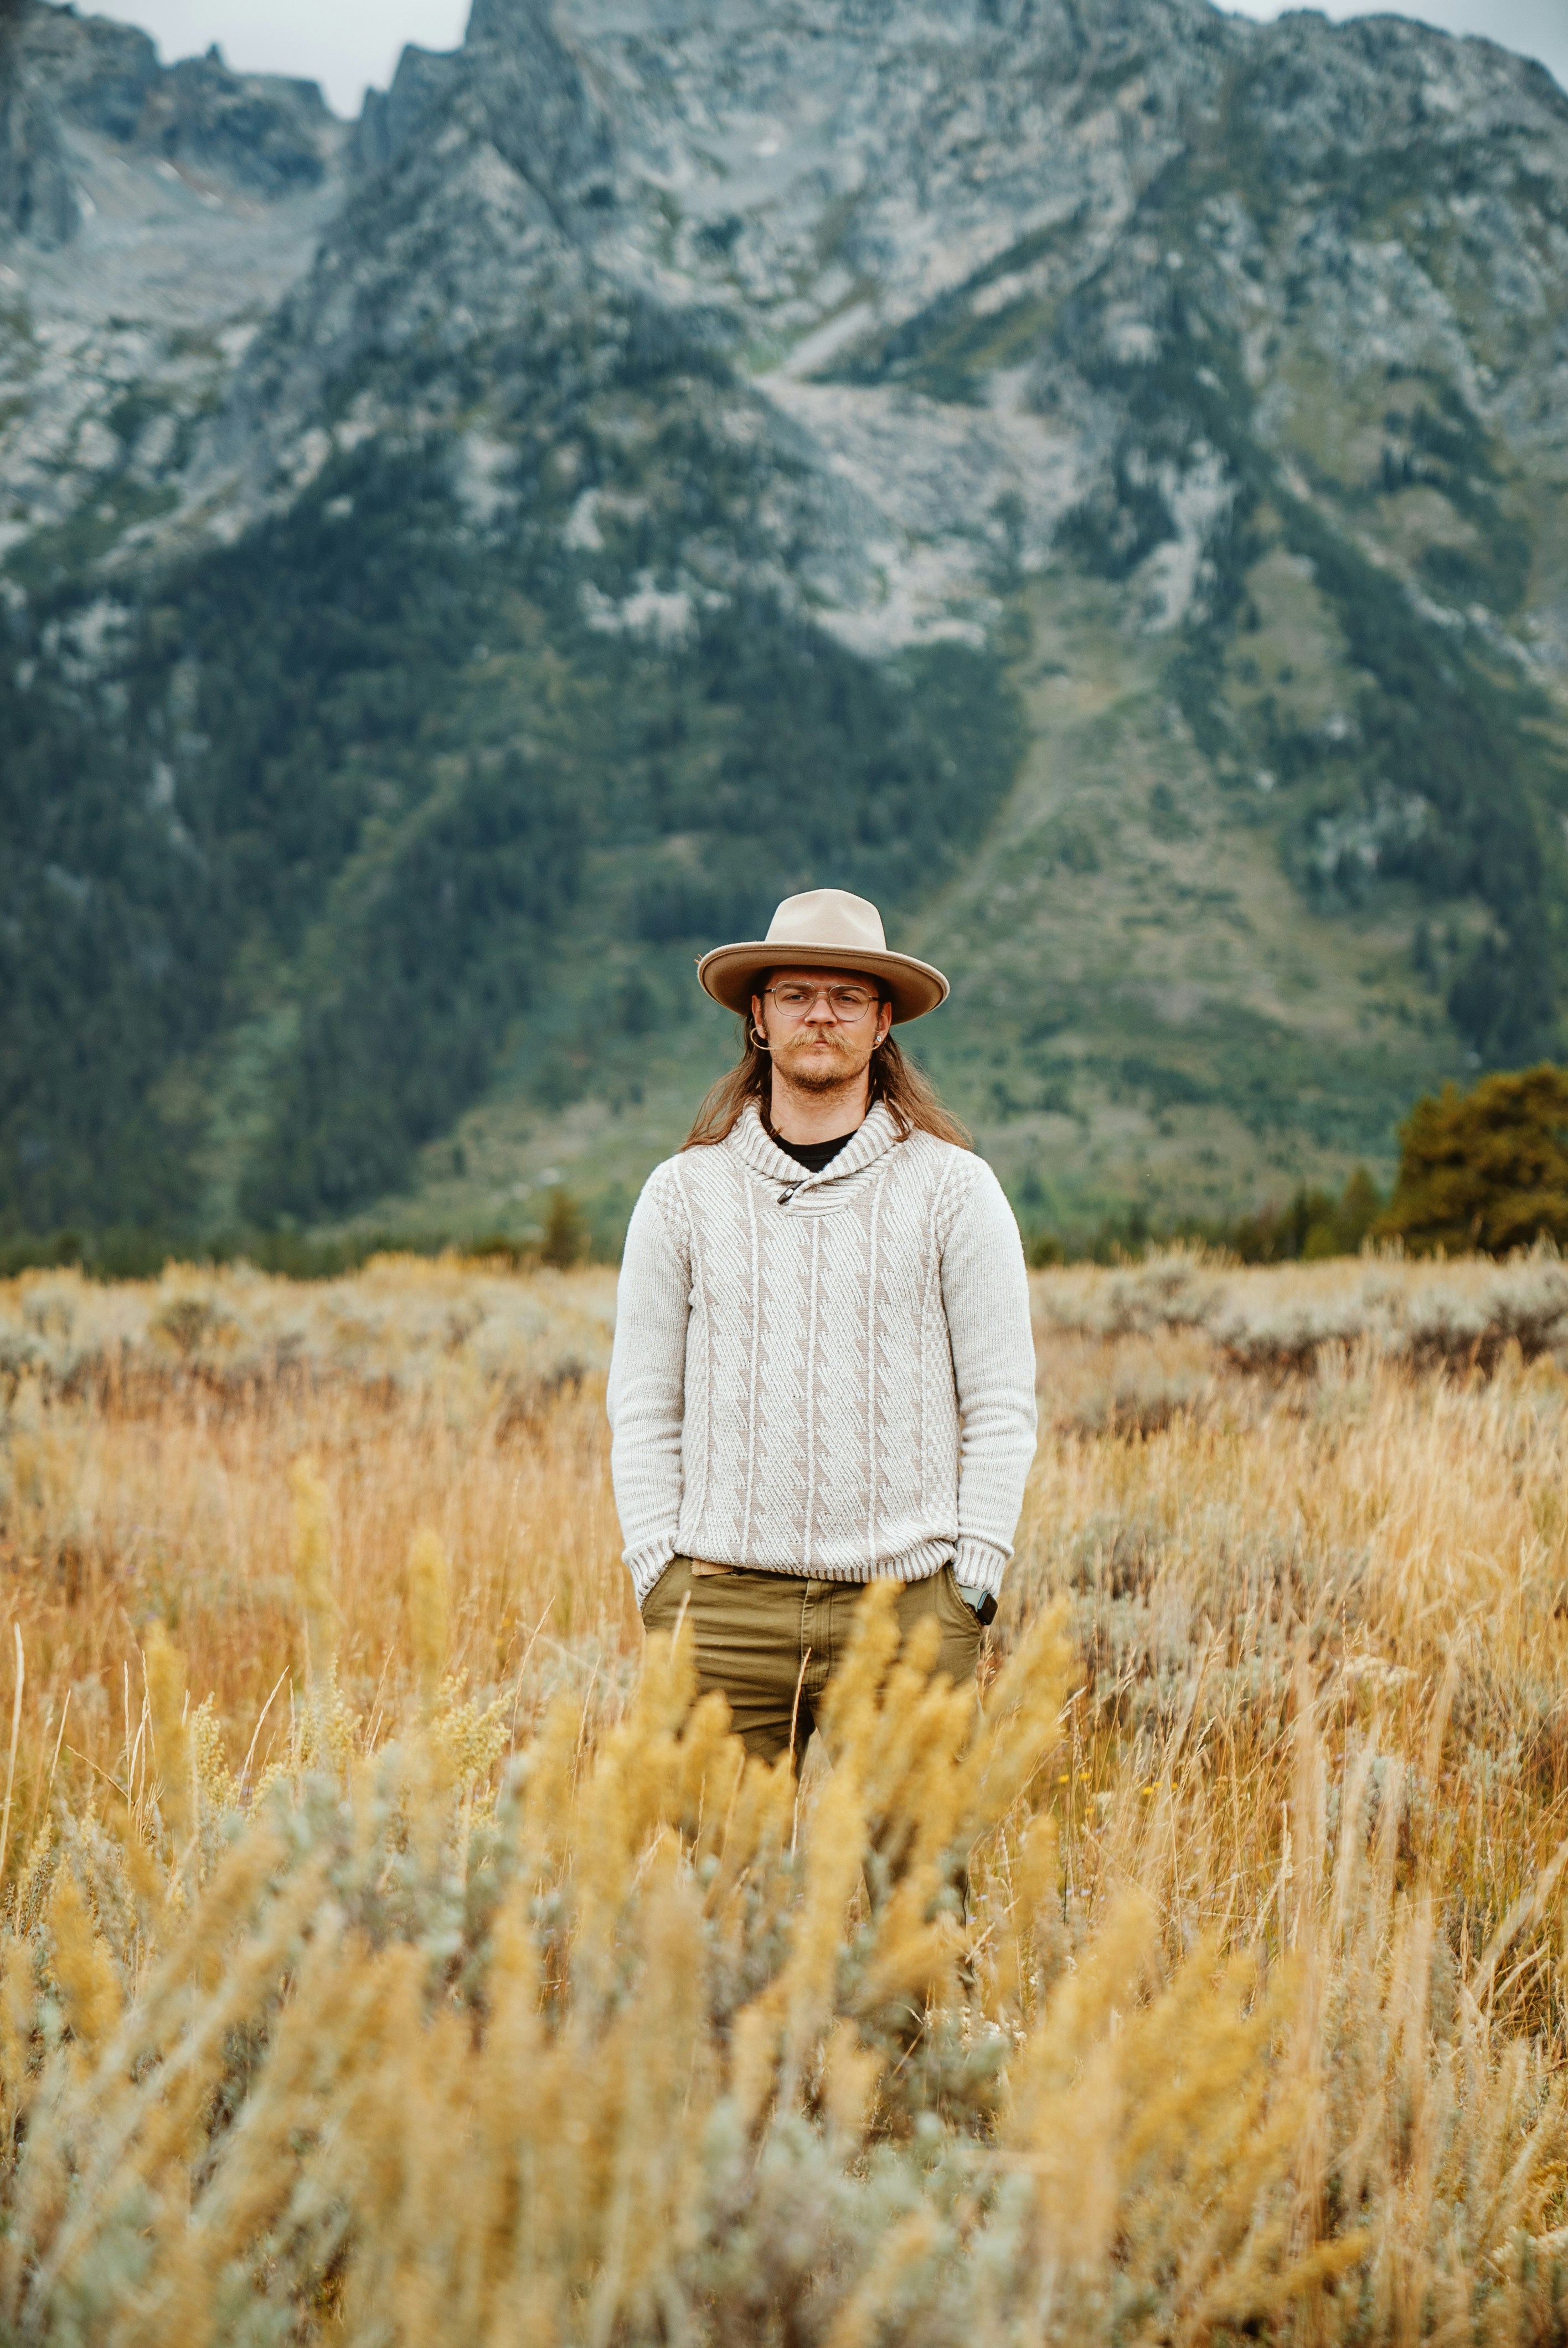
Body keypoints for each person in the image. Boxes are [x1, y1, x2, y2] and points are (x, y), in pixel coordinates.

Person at [606, 886, 1038, 1766]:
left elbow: (1001, 1404)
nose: (821, 1016)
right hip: (723, 1612)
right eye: (797, 994)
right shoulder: (683, 1195)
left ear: (883, 1023)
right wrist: (660, 1576)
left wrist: (975, 1583)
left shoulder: (956, 1190)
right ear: (759, 1017)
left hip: (910, 1609)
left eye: (846, 997)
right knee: (721, 1898)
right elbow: (644, 1405)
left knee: (910, 1894)